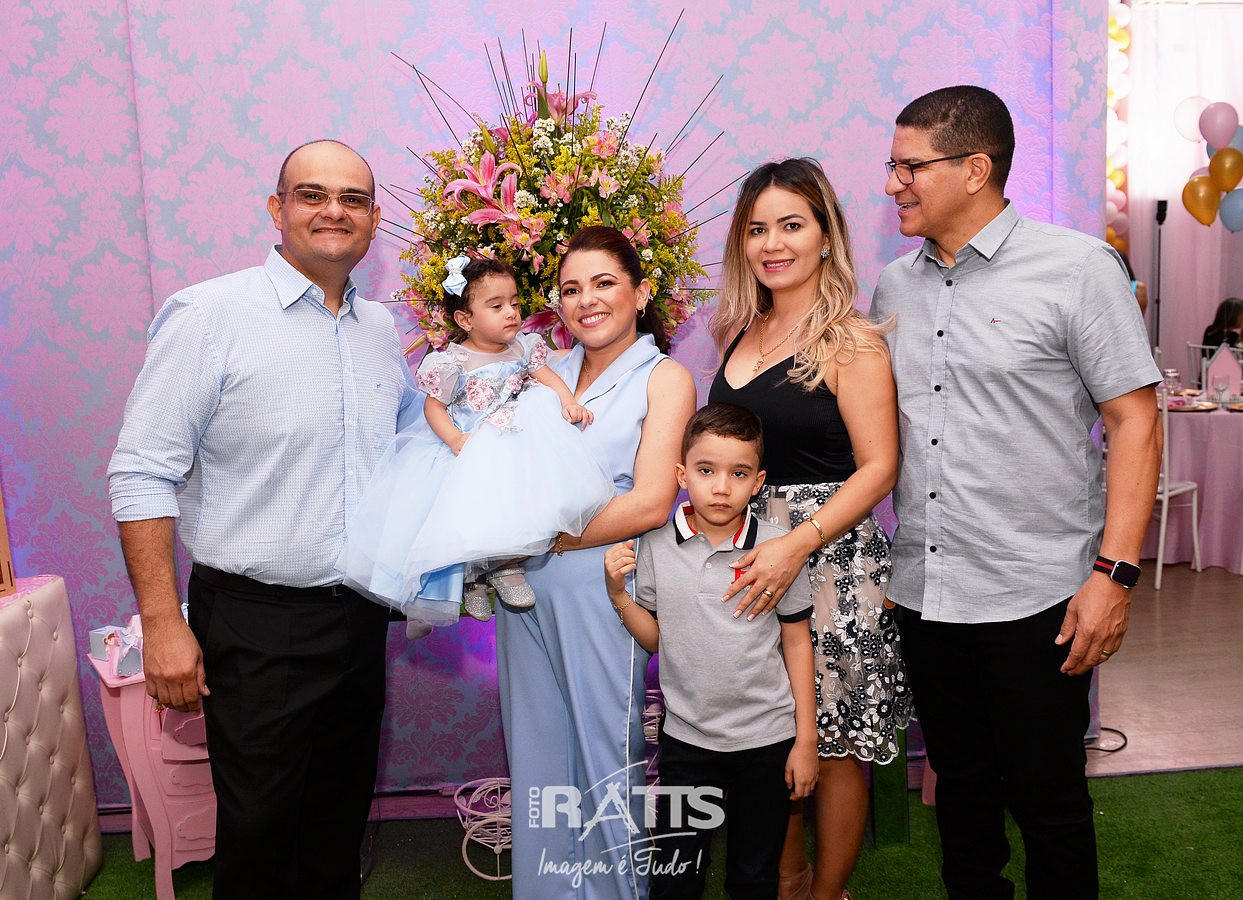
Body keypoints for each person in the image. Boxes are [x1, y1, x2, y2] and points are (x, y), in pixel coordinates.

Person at [872, 85, 1161, 899]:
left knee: (1048, 805)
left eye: (909, 166)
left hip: (1040, 597)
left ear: (974, 169)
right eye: (891, 165)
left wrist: (1113, 576)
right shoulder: (894, 286)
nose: (892, 183)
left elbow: (1135, 422)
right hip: (927, 592)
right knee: (960, 801)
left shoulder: (1077, 268)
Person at [108, 139, 416, 899]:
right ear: (277, 209)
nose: (334, 211)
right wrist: (162, 623)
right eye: (313, 194)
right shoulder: (209, 315)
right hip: (255, 626)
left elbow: (415, 455)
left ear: (375, 219)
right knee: (259, 838)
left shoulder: (381, 331)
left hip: (360, 617)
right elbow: (141, 472)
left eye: (352, 199)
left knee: (336, 823)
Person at [708, 157, 909, 900]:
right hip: (750, 562)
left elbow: (879, 468)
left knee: (832, 743)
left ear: (825, 236)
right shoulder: (739, 332)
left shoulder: (852, 340)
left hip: (830, 564)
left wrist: (795, 541)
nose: (772, 244)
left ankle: (827, 896)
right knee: (770, 733)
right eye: (756, 229)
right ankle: (787, 883)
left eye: (790, 225)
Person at [495, 225, 697, 899]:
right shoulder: (542, 372)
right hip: (524, 590)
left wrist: (540, 538)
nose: (586, 300)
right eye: (571, 288)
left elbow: (650, 501)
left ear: (641, 292)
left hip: (604, 585)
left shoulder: (664, 378)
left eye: (604, 283)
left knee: (604, 756)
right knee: (538, 758)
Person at [603, 402, 818, 899]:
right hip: (687, 742)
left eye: (738, 474)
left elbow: (796, 641)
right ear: (682, 475)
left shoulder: (779, 548)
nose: (721, 487)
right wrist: (618, 595)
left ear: (758, 482)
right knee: (676, 878)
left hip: (767, 741)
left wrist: (805, 741)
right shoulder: (655, 544)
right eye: (706, 471)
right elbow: (657, 640)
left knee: (754, 877)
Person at [336, 255, 615, 632]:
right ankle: (472, 578)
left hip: (514, 441)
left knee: (514, 506)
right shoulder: (453, 361)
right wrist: (454, 439)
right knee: (465, 513)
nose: (511, 313)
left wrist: (567, 401)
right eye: (496, 306)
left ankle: (505, 566)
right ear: (465, 319)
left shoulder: (524, 348)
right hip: (469, 444)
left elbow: (548, 376)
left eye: (514, 302)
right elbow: (434, 407)